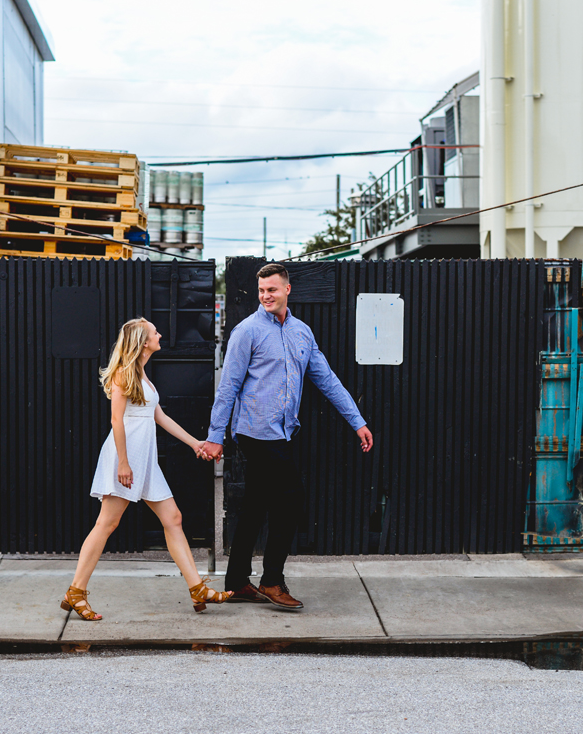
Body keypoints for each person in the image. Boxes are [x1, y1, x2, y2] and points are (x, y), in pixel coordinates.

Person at [200, 263, 373, 610]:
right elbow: (228, 386)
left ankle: (236, 582)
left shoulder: (301, 333)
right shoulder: (247, 331)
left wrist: (357, 421)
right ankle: (272, 581)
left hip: (283, 431)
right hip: (254, 430)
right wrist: (215, 436)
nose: (266, 296)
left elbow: (326, 379)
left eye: (272, 290)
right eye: (262, 291)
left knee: (254, 506)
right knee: (291, 499)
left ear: (287, 290)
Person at [63, 318, 231, 620]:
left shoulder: (143, 376)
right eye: (155, 332)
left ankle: (197, 588)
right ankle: (76, 592)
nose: (160, 335)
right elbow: (117, 421)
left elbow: (160, 417)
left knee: (173, 518)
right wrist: (124, 463)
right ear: (142, 342)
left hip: (145, 461)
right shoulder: (123, 374)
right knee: (107, 524)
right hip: (125, 458)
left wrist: (197, 444)